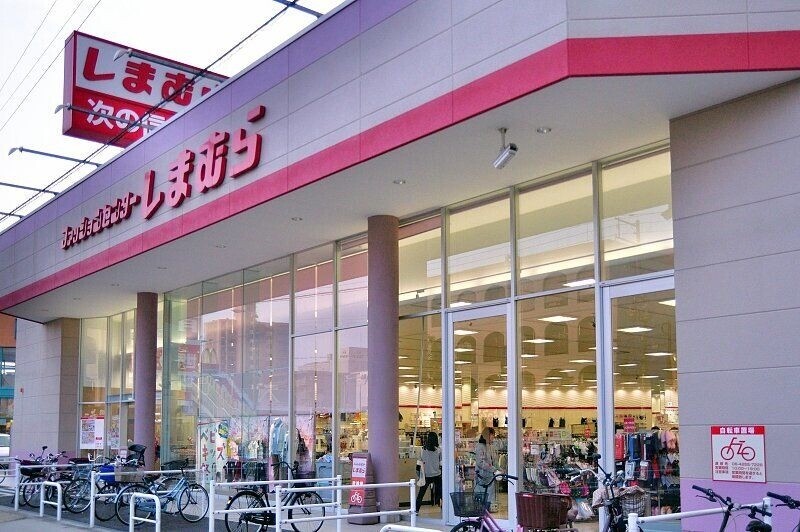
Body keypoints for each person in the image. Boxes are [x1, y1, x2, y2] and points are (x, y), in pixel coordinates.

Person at [415, 432, 442, 510]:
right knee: (442, 493)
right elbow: (441, 463)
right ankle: (445, 509)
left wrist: (419, 475)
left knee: (421, 494)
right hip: (437, 474)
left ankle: (416, 510)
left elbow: (418, 464)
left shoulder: (422, 449)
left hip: (426, 475)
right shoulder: (439, 450)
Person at [475, 427, 498, 508]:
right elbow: (480, 462)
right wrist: (493, 469)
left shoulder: (490, 446)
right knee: (482, 500)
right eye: (492, 436)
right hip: (482, 477)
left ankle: (486, 510)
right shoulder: (480, 446)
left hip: (490, 477)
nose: (493, 438)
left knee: (489, 499)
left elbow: (493, 461)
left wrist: (498, 469)